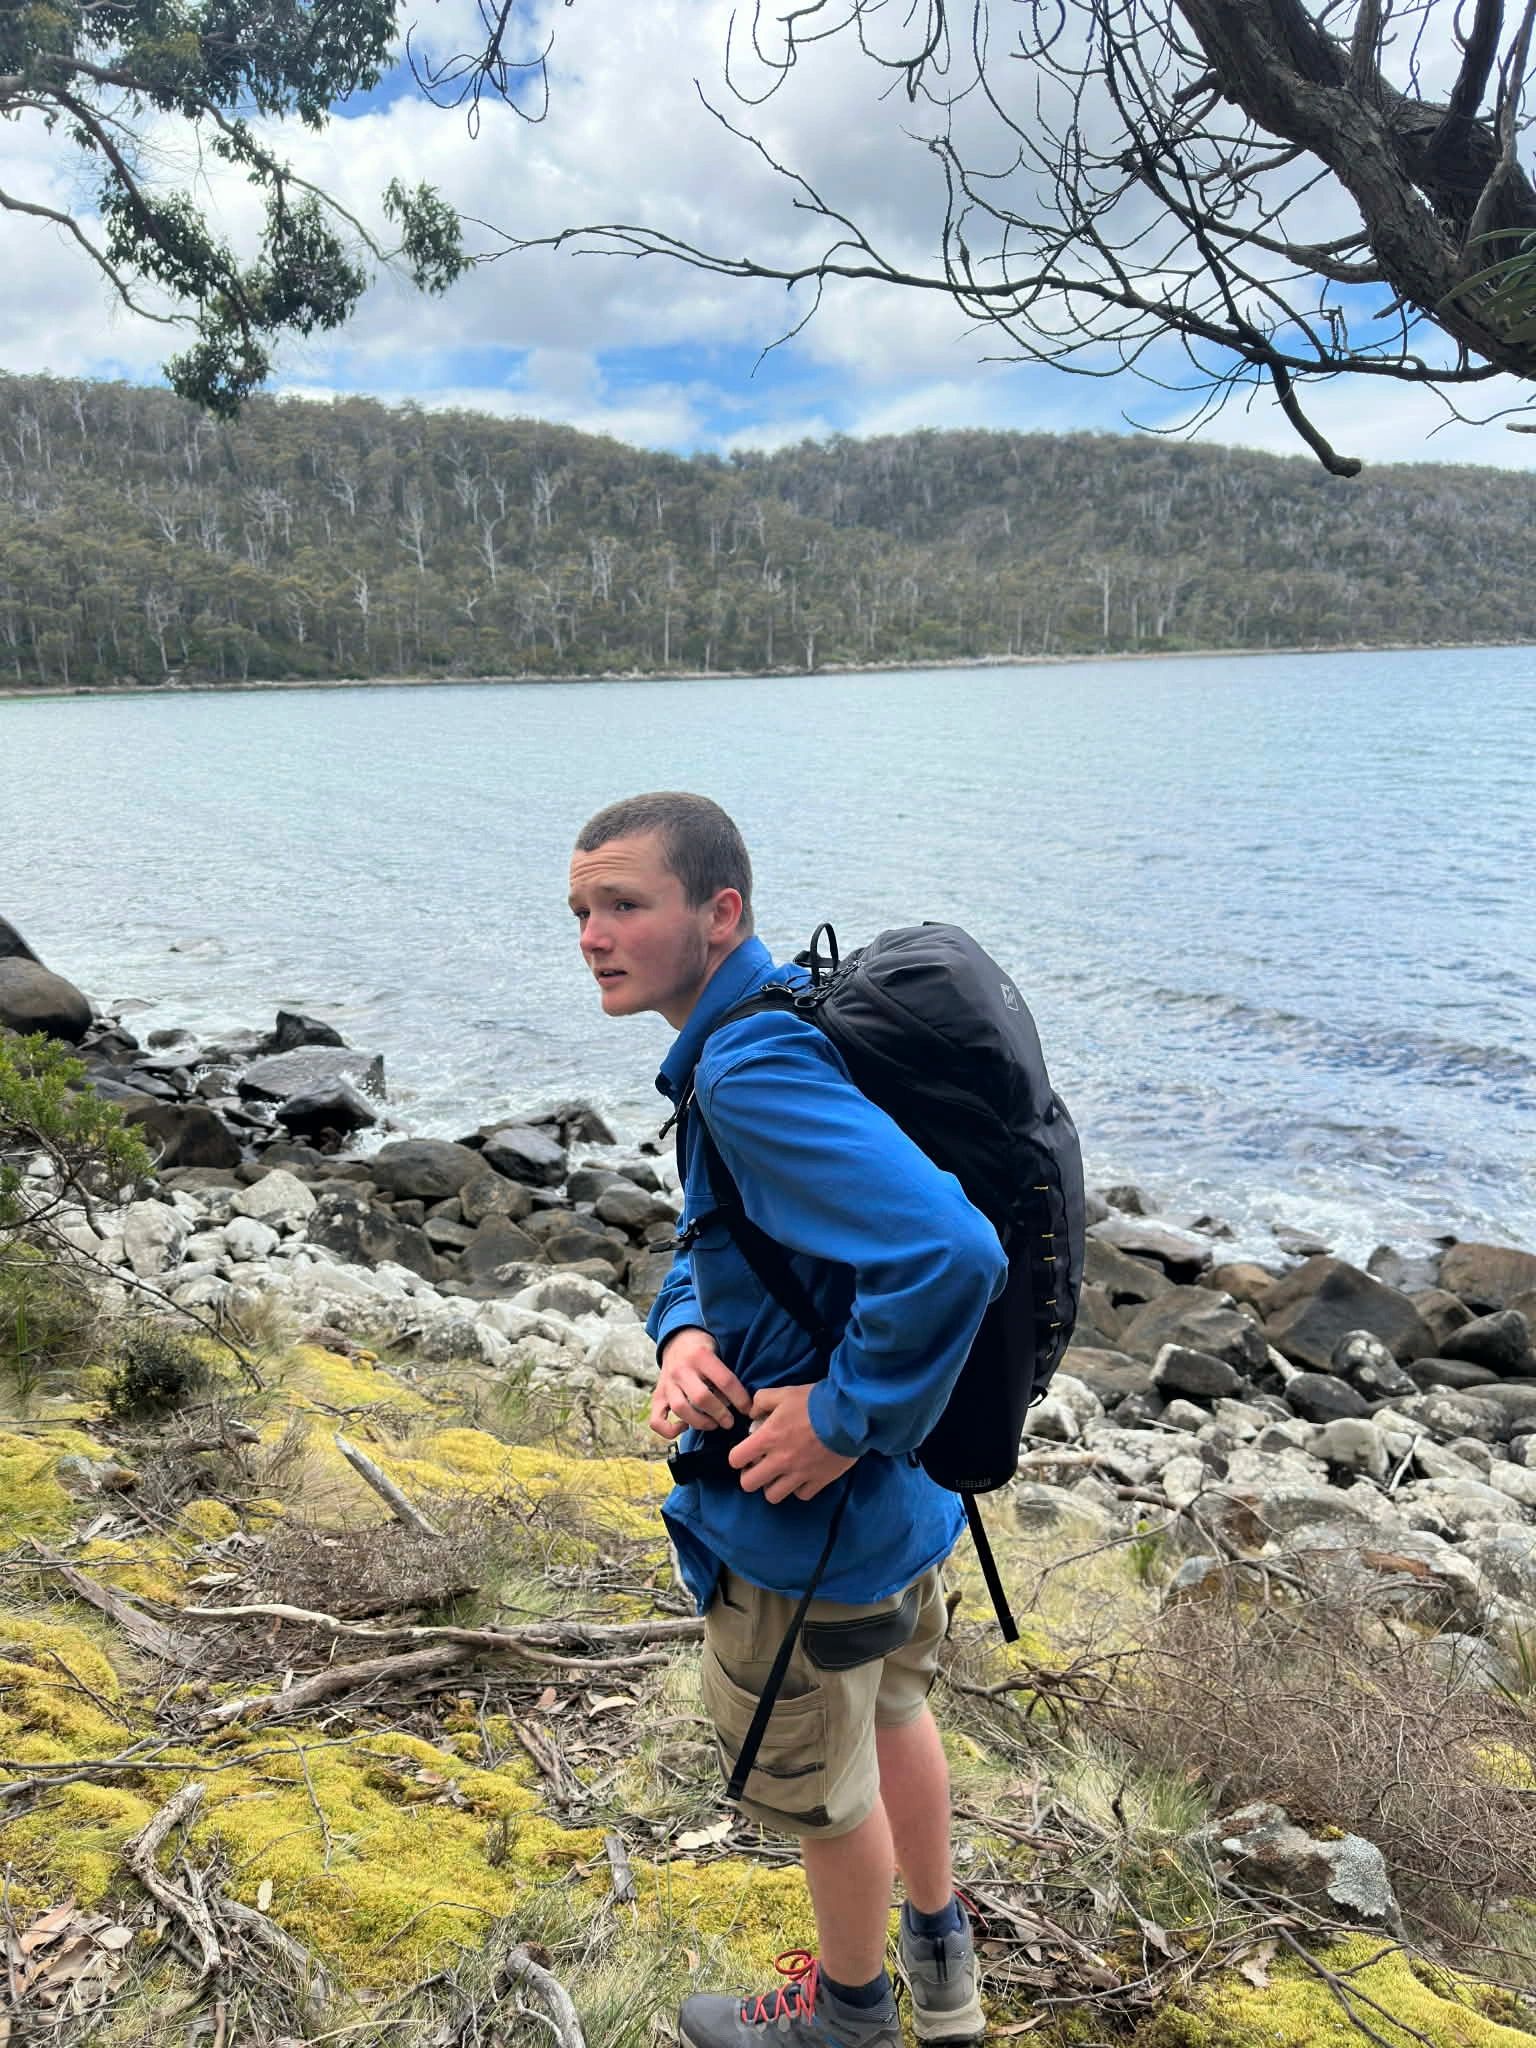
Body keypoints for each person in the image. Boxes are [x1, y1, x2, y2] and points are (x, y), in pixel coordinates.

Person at [568, 791, 1008, 2048]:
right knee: (898, 1707)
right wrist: (687, 1331)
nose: (595, 934)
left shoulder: (747, 1063)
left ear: (721, 911)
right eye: (582, 910)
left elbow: (952, 1252)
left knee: (825, 1795)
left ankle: (851, 2016)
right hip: (909, 1505)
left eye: (626, 904)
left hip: (812, 1521)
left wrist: (844, 1417)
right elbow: (733, 1236)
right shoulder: (773, 1017)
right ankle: (946, 1973)